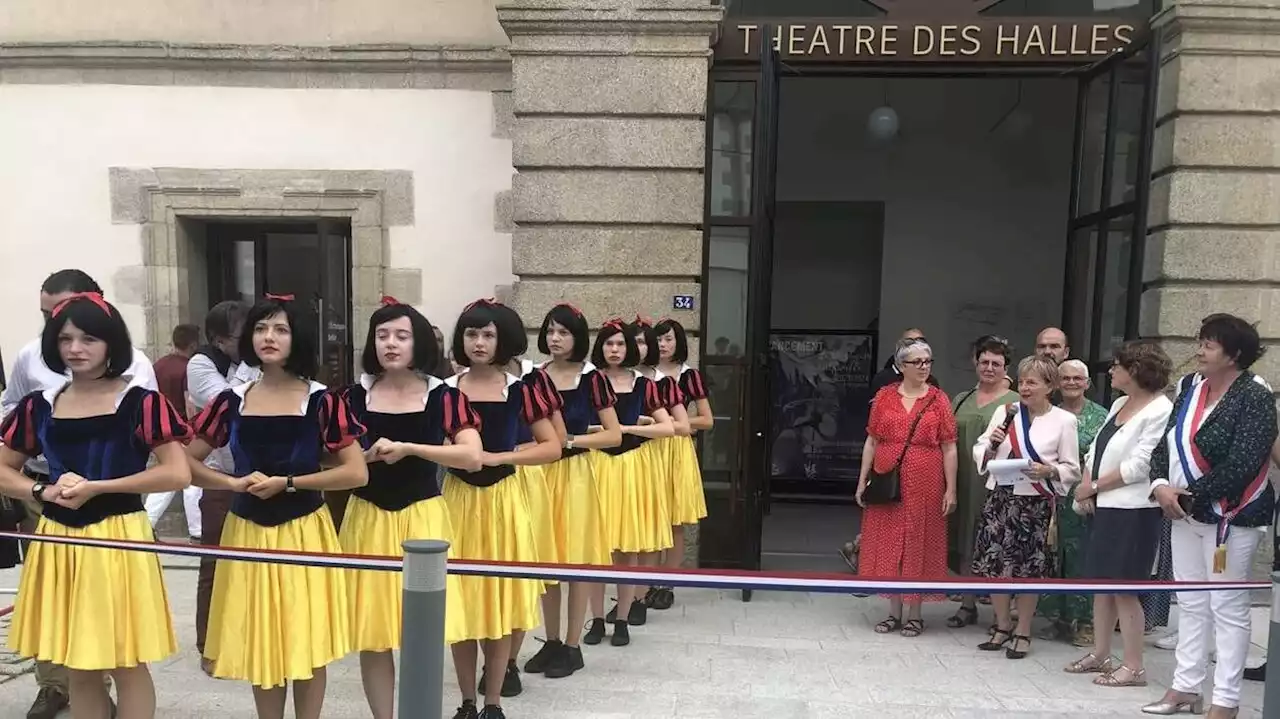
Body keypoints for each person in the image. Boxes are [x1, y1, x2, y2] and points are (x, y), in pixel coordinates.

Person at [0, 292, 192, 719]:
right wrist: (41, 491)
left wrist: (99, 486)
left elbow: (177, 473)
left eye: (88, 338)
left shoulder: (141, 402)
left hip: (118, 536)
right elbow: (3, 468)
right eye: (65, 338)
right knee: (78, 663)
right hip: (59, 539)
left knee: (126, 661)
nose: (75, 348)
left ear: (110, 344)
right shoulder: (40, 405)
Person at [185, 294, 368, 718]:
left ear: (296, 337)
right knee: (259, 640)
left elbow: (356, 472)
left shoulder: (323, 400)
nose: (269, 337)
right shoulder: (232, 400)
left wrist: (288, 482)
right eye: (261, 328)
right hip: (246, 530)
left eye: (280, 329)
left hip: (305, 529)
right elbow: (186, 463)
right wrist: (231, 482)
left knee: (306, 641)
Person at [341, 298, 483, 719]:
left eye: (401, 336)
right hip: (366, 517)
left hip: (422, 518)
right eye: (382, 335)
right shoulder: (352, 397)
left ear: (418, 342)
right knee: (373, 632)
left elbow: (472, 456)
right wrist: (361, 458)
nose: (390, 344)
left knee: (423, 627)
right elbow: (325, 458)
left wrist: (409, 448)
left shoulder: (443, 394)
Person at [1143, 314, 1276, 718]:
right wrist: (1161, 485)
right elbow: (1164, 444)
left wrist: (1191, 497)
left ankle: (1226, 701)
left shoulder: (1254, 395)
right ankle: (1185, 687)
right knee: (1191, 602)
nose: (1199, 350)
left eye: (1209, 344)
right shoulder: (1188, 388)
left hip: (1230, 517)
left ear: (1234, 354)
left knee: (1227, 607)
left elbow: (1245, 460)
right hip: (1182, 512)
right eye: (1200, 341)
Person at [444, 298, 561, 719]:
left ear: (503, 340)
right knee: (461, 603)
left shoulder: (521, 388)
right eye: (472, 334)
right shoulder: (446, 390)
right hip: (456, 502)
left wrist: (499, 457)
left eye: (488, 335)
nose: (478, 342)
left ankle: (493, 700)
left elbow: (551, 447)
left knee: (498, 599)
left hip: (504, 502)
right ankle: (466, 701)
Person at [1064, 340, 1173, 688]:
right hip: (1106, 505)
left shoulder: (1160, 410)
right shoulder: (1121, 403)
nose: (1111, 371)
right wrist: (1087, 484)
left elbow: (1141, 464)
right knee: (1101, 585)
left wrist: (1093, 486)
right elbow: (1096, 448)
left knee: (1125, 588)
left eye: (1117, 365)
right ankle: (1100, 652)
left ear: (1136, 370)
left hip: (1135, 509)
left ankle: (1134, 665)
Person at [522, 304, 621, 680]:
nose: (554, 338)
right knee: (546, 561)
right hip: (540, 476)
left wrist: (571, 441)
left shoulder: (592, 377)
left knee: (577, 562)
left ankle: (572, 644)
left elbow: (614, 434)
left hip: (577, 475)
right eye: (550, 331)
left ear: (578, 337)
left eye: (563, 332)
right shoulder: (534, 375)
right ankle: (549, 641)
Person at [972, 355, 1080, 660]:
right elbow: (981, 451)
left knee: (1028, 569)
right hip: (1001, 499)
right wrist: (992, 444)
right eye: (1022, 381)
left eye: (1032, 382)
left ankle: (1023, 629)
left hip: (1034, 503)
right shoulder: (1005, 412)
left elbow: (1072, 467)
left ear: (1050, 386)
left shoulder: (1064, 421)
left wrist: (1048, 471)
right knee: (996, 565)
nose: (1025, 387)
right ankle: (1002, 625)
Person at [856, 337, 957, 637]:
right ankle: (893, 611)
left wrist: (951, 488)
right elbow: (872, 439)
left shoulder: (939, 399)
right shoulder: (885, 396)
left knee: (918, 541)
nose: (924, 367)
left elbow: (949, 446)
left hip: (926, 480)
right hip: (888, 475)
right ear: (901, 366)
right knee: (889, 541)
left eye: (928, 361)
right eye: (917, 362)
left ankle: (915, 613)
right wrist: (863, 478)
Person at [585, 319, 676, 646]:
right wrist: (603, 432)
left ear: (631, 348)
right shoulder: (590, 381)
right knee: (596, 549)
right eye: (608, 343)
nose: (614, 349)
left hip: (632, 468)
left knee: (628, 548)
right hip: (595, 465)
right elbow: (576, 425)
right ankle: (595, 619)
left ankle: (623, 617)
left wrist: (629, 428)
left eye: (620, 344)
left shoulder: (643, 383)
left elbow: (668, 427)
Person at [184, 299, 257, 676]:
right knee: (214, 562)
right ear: (217, 337)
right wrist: (250, 362)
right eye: (241, 337)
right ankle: (207, 644)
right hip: (220, 476)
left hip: (262, 476)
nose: (251, 343)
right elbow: (229, 403)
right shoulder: (201, 364)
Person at [946, 335, 1018, 628]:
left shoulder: (1016, 402)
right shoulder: (960, 398)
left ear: (1006, 367)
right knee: (964, 537)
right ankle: (967, 603)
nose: (989, 368)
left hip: (996, 482)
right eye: (984, 361)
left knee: (997, 542)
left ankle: (1003, 613)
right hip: (963, 479)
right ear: (975, 363)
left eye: (996, 363)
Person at [1036, 359, 1109, 646]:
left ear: (1087, 383)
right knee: (1055, 558)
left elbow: (1105, 457)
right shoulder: (1046, 414)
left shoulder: (1101, 416)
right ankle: (1059, 619)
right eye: (1064, 378)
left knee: (1083, 558)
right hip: (1050, 492)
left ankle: (1087, 622)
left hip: (1083, 496)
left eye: (1077, 379)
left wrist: (1092, 489)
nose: (1070, 383)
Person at [144, 322, 202, 538]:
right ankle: (197, 529)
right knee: (191, 479)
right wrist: (194, 430)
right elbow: (190, 402)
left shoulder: (158, 365)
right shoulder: (189, 367)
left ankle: (148, 518)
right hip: (181, 429)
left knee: (168, 477)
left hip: (159, 429)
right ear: (193, 344)